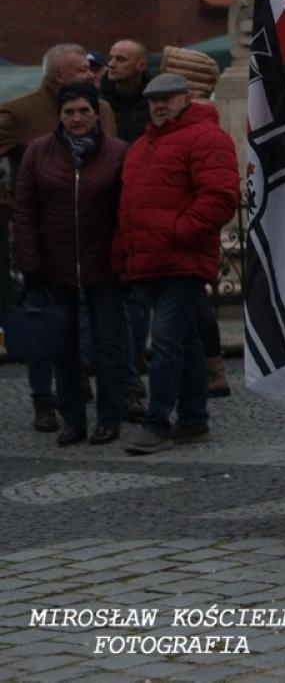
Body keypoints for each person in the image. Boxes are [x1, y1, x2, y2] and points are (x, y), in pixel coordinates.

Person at [116, 73, 240, 455]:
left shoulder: (206, 137)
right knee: (184, 341)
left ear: (186, 99)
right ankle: (193, 419)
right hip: (151, 259)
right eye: (154, 99)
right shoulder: (141, 146)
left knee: (166, 341)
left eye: (167, 98)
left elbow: (220, 197)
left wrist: (179, 231)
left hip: (180, 258)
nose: (159, 105)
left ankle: (157, 423)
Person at [0, 44, 120, 433]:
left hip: (102, 257)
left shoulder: (108, 126)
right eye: (83, 69)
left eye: (84, 110)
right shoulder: (25, 123)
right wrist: (11, 206)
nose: (92, 73)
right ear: (58, 78)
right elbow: (27, 203)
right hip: (52, 258)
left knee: (107, 342)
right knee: (53, 338)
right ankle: (52, 406)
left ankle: (110, 413)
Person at [100, 38, 153, 420]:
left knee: (137, 303)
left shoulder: (154, 101)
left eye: (121, 59)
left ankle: (133, 379)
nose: (112, 64)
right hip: (106, 211)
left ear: (140, 65)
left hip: (144, 212)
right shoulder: (100, 104)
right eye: (110, 58)